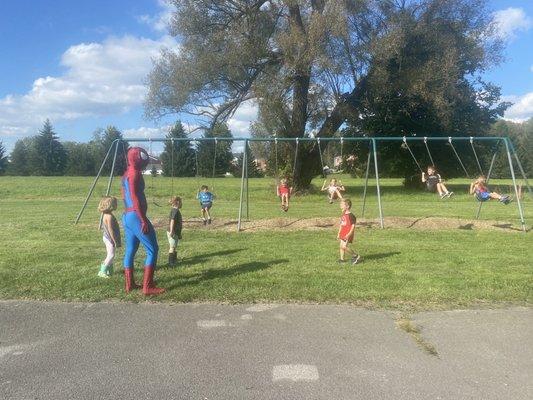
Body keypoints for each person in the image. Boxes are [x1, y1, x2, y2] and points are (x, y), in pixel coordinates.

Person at [122, 147, 164, 295]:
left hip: (127, 215)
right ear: (137, 158)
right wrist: (143, 219)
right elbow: (134, 196)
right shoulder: (135, 174)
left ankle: (130, 284)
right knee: (153, 249)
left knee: (130, 249)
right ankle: (148, 286)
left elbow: (124, 196)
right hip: (135, 216)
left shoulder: (127, 173)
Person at [97, 196, 121, 278]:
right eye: (115, 204)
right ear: (110, 205)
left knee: (110, 254)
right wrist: (114, 240)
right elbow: (111, 230)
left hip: (106, 237)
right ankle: (102, 271)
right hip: (110, 238)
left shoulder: (105, 214)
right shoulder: (109, 216)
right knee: (111, 255)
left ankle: (109, 271)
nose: (116, 205)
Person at [337, 198, 361, 265]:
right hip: (343, 232)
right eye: (340, 204)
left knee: (344, 246)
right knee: (341, 246)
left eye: (342, 204)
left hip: (348, 233)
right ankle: (342, 260)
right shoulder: (343, 214)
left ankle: (356, 256)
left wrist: (349, 234)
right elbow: (341, 224)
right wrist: (339, 233)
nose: (340, 205)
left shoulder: (351, 215)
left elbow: (353, 226)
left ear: (347, 206)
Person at [167, 196, 183, 267]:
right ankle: (171, 262)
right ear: (178, 202)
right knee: (172, 247)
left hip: (175, 232)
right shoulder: (175, 211)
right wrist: (171, 231)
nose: (182, 204)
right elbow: (172, 221)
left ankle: (174, 259)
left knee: (174, 246)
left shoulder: (176, 210)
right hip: (172, 231)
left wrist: (179, 234)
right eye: (181, 202)